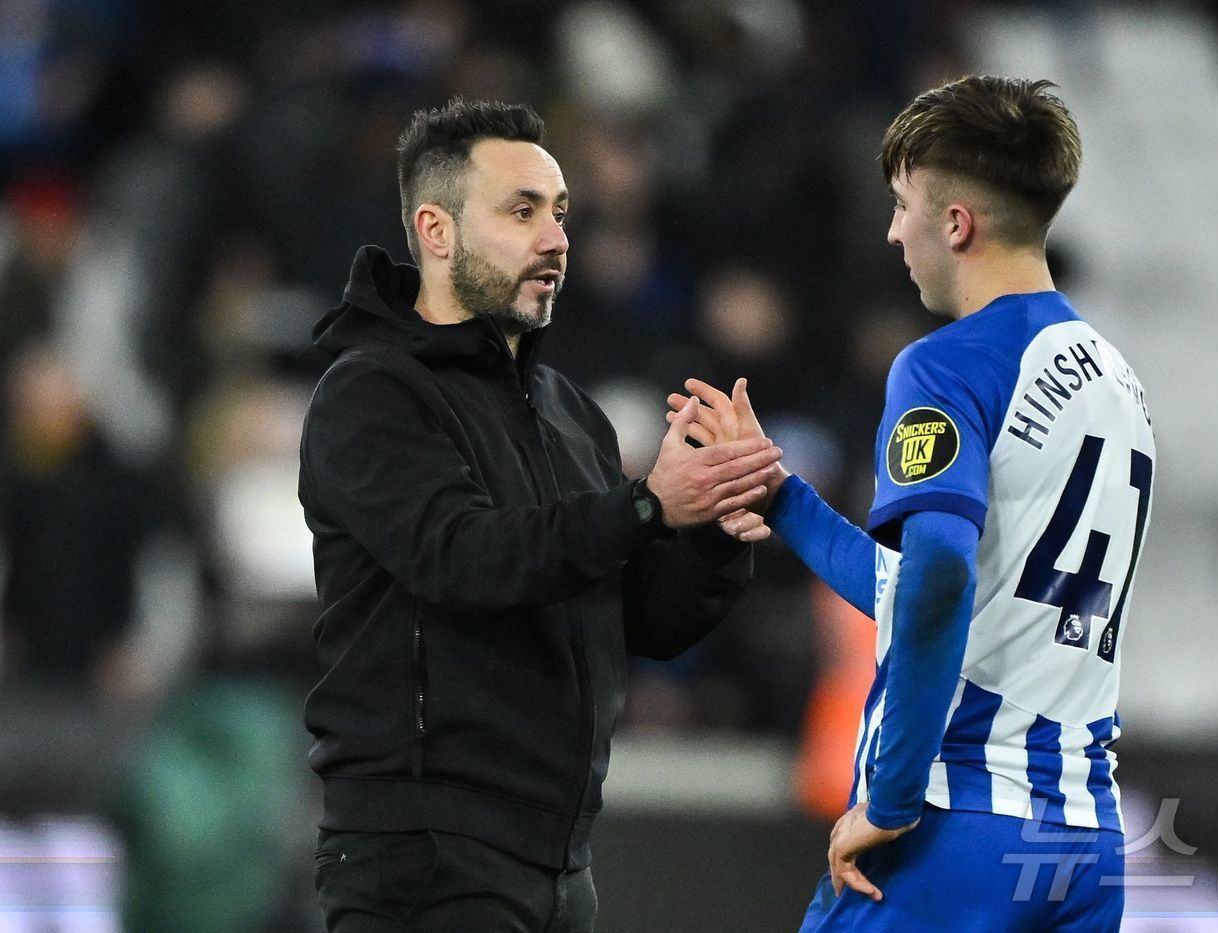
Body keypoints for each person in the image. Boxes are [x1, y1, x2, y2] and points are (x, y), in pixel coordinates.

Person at [670, 76, 1155, 930]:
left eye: (902, 205)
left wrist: (890, 799)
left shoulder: (946, 365)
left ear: (957, 222)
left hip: (954, 822)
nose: (895, 231)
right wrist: (783, 498)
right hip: (1083, 842)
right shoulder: (1120, 385)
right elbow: (940, 590)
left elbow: (937, 581)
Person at [298, 98, 783, 932]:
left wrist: (710, 525)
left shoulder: (568, 413)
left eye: (559, 213)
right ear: (437, 230)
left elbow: (643, 621)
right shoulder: (371, 393)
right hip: (425, 861)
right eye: (522, 211)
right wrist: (645, 503)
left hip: (558, 863)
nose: (557, 238)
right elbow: (464, 557)